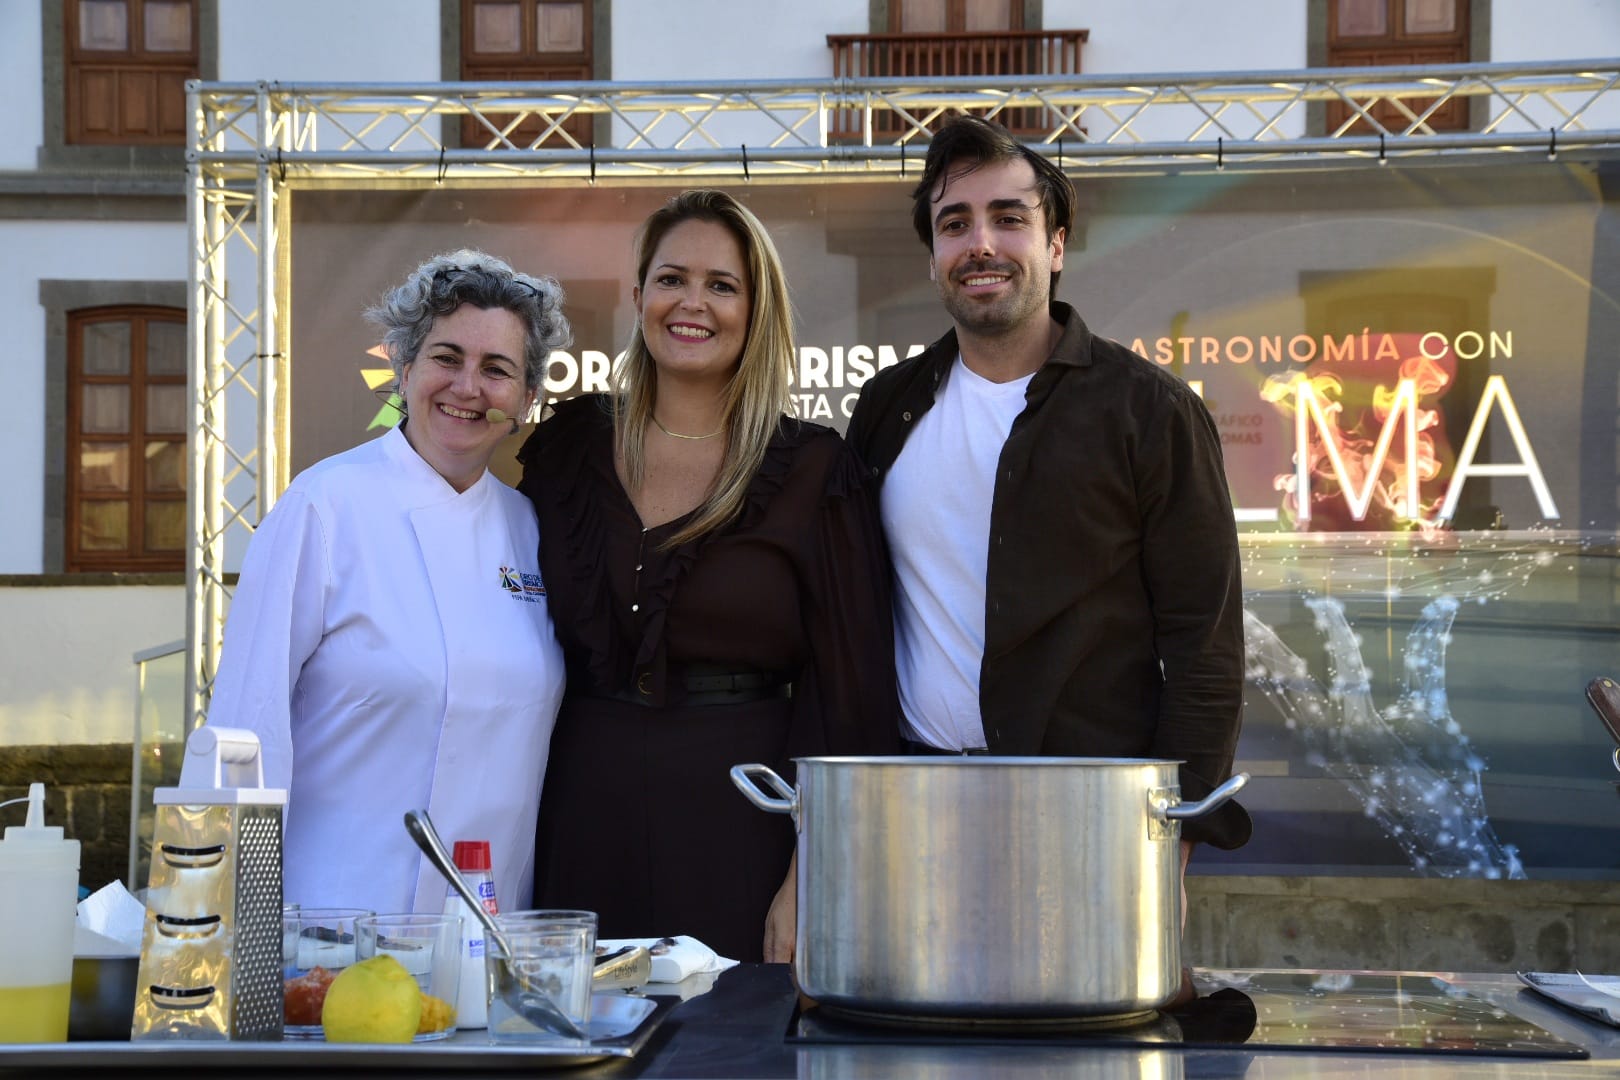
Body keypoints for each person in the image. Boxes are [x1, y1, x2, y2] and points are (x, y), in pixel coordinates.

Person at [846, 117, 1250, 900]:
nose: (980, 244)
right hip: (911, 803)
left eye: (1009, 219)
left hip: (1092, 819)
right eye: (954, 224)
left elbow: (1205, 648)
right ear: (932, 258)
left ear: (1056, 245)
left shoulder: (1149, 411)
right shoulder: (888, 407)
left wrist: (1175, 840)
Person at [517, 189, 898, 963]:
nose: (692, 303)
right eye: (672, 279)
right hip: (581, 816)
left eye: (721, 285)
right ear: (638, 297)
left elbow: (851, 696)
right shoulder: (568, 449)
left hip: (744, 829)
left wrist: (811, 874)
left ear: (756, 311)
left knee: (734, 1030)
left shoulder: (813, 469)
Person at [207, 249, 571, 915]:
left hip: (485, 933)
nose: (468, 386)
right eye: (446, 357)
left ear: (526, 400)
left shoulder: (531, 530)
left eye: (497, 370)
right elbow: (246, 731)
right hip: (331, 929)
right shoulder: (324, 505)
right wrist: (227, 926)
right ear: (404, 370)